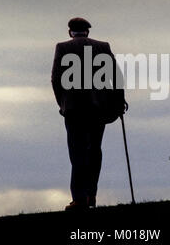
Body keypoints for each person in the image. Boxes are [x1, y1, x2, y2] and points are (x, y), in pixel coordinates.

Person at [51, 17, 127, 211]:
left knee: (77, 153)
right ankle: (91, 194)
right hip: (98, 109)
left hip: (74, 110)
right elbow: (116, 77)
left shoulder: (62, 47)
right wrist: (118, 102)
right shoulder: (103, 46)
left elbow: (56, 79)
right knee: (94, 151)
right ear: (88, 31)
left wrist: (62, 104)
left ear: (70, 32)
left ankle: (79, 198)